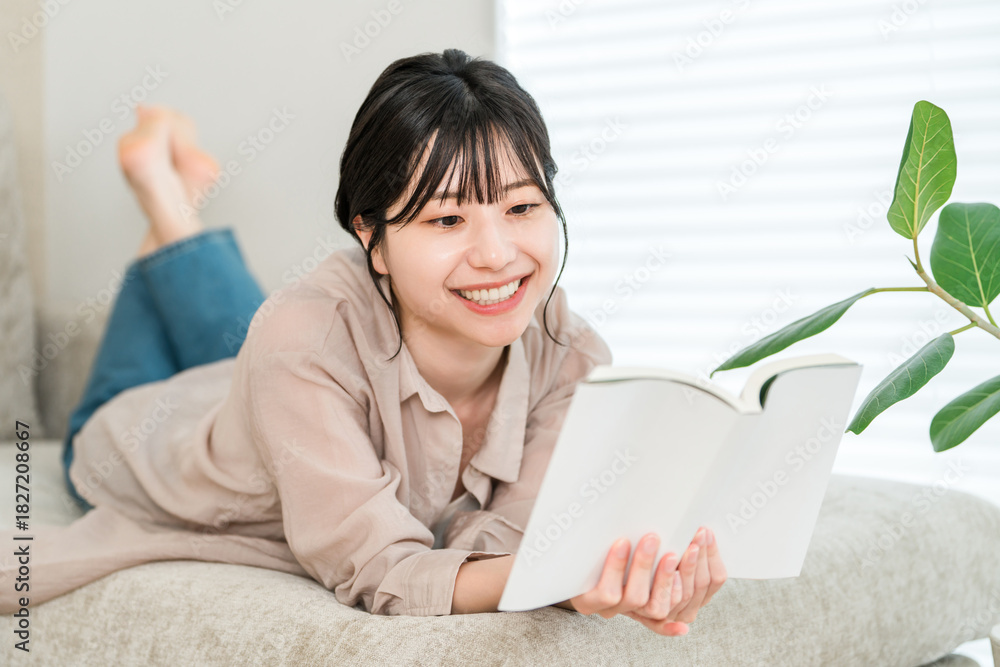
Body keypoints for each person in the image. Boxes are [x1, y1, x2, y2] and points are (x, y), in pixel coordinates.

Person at [1, 49, 725, 635]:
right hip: (136, 438)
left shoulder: (572, 354)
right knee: (272, 333)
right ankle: (162, 196)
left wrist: (600, 572)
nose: (498, 254)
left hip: (258, 388)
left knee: (255, 338)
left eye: (522, 206)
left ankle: (168, 204)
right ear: (371, 239)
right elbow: (386, 569)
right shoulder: (301, 336)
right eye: (447, 220)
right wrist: (561, 578)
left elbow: (507, 544)